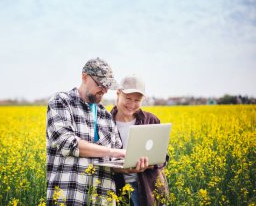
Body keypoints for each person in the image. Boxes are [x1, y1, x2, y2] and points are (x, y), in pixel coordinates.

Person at [46, 58, 148, 205]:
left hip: (102, 199)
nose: (105, 90)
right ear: (84, 76)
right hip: (69, 197)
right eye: (100, 84)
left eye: (107, 86)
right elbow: (67, 143)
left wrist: (134, 164)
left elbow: (116, 162)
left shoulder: (106, 116)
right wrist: (114, 152)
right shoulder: (61, 101)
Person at [111, 74, 169, 206]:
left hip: (147, 187)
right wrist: (120, 168)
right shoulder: (106, 122)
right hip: (117, 188)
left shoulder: (151, 120)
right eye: (128, 98)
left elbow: (163, 157)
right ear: (118, 93)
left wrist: (150, 163)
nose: (132, 104)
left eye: (137, 100)